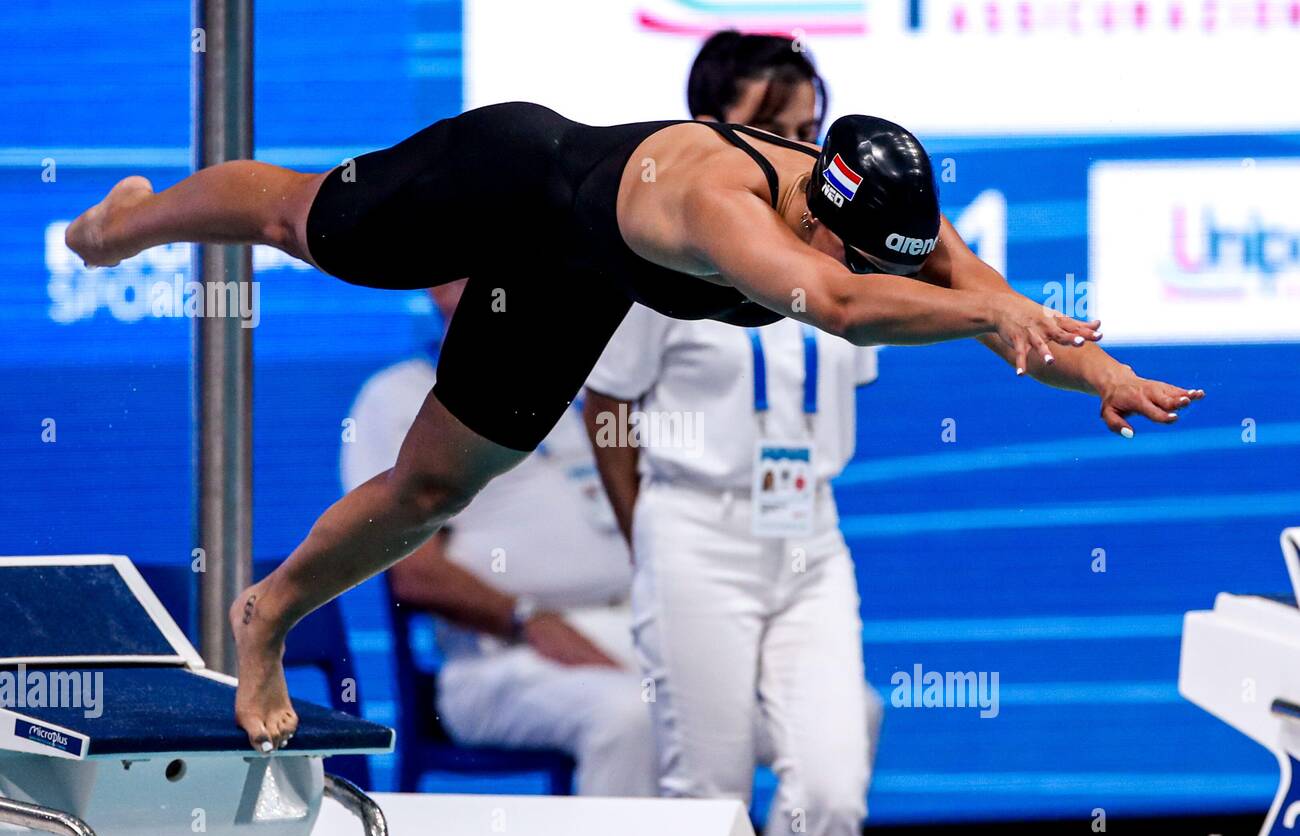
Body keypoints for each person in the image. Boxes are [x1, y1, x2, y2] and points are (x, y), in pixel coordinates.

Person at [64, 96, 1203, 751]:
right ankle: (128, 224)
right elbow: (851, 310)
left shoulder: (890, 228)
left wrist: (1100, 372)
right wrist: (986, 307)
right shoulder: (732, 206)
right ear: (817, 212)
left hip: (570, 278)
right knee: (303, 223)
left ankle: (263, 613)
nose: (856, 264)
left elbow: (997, 318)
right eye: (843, 248)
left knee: (435, 488)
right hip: (507, 176)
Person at [584, 31, 883, 836]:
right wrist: (648, 538)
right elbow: (607, 402)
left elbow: (849, 376)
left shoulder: (843, 250)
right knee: (706, 801)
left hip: (810, 538)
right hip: (694, 534)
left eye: (813, 128)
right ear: (712, 129)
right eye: (781, 128)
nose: (807, 152)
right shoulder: (664, 241)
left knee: (830, 786)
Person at [342, 281, 656, 795]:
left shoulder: (579, 387)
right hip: (503, 655)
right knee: (630, 718)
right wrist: (527, 620)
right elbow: (412, 572)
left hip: (634, 627)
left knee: (749, 710)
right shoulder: (398, 397)